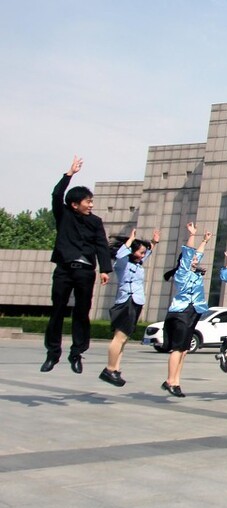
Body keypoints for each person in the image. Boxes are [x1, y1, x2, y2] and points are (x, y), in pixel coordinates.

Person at [42, 156, 113, 374]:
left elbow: (102, 245)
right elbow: (56, 195)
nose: (91, 205)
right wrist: (69, 174)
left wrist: (105, 269)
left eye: (91, 201)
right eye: (87, 201)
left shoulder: (95, 221)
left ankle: (77, 353)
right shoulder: (64, 215)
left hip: (85, 272)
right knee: (57, 310)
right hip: (64, 270)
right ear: (75, 204)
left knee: (82, 312)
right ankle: (53, 353)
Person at [99, 227, 159, 386]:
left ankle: (116, 369)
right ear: (131, 251)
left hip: (136, 301)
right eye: (140, 252)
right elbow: (120, 254)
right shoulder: (122, 263)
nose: (142, 255)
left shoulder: (138, 264)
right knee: (120, 337)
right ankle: (109, 369)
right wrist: (130, 240)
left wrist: (153, 242)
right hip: (126, 301)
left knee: (124, 338)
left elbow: (148, 253)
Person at [160, 222, 212, 397]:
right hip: (181, 312)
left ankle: (175, 381)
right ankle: (170, 381)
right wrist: (192, 235)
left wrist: (204, 241)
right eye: (192, 260)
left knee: (184, 349)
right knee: (178, 348)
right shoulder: (183, 272)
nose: (196, 260)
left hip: (192, 312)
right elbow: (190, 253)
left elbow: (197, 254)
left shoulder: (194, 273)